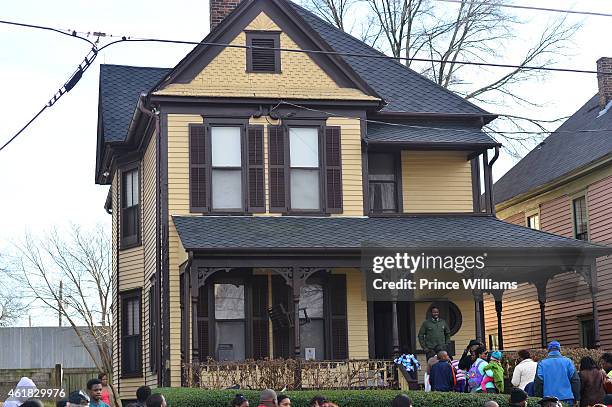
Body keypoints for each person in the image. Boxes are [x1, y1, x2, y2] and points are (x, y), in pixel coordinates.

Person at [534, 341, 580, 406]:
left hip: (548, 401)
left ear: (548, 350)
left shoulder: (542, 363)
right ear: (559, 349)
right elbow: (575, 380)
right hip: (567, 399)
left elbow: (538, 383)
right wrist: (576, 398)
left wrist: (538, 399)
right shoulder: (568, 362)